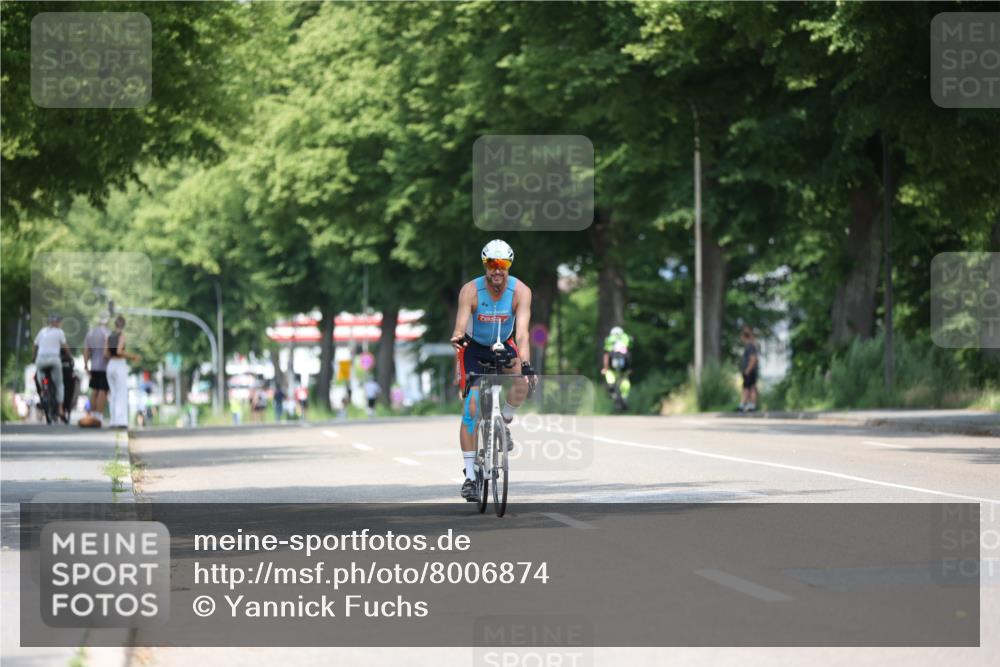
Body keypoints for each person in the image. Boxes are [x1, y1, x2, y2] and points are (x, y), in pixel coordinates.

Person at [450, 239, 534, 501]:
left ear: (509, 266)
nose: (497, 271)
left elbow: (522, 333)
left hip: (504, 344)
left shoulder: (520, 291)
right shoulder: (470, 291)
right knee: (472, 408)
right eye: (492, 264)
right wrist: (458, 341)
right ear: (485, 265)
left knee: (521, 383)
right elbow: (460, 328)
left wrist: (528, 365)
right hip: (474, 348)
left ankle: (504, 422)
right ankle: (471, 479)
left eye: (503, 265)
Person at [33, 314, 71, 421]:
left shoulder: (42, 331)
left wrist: (34, 357)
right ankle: (60, 409)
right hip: (54, 360)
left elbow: (35, 345)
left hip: (40, 360)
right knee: (59, 384)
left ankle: (43, 394)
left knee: (40, 379)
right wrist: (69, 357)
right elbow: (65, 346)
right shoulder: (59, 332)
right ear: (58, 322)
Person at [105, 315, 140, 429]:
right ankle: (121, 421)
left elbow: (105, 354)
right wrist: (132, 356)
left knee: (113, 393)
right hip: (119, 365)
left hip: (110, 365)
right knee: (121, 393)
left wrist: (113, 354)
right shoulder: (122, 336)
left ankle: (113, 421)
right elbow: (119, 351)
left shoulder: (108, 336)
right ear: (124, 325)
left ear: (115, 324)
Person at [83, 315, 110, 424]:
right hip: (105, 366)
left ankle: (92, 414)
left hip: (94, 365)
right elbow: (107, 351)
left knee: (94, 390)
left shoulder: (90, 333)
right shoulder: (108, 333)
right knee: (103, 391)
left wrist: (86, 365)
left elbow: (86, 350)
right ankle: (98, 415)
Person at [601, 325, 632, 410]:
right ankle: (622, 397)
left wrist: (605, 368)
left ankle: (616, 396)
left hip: (615, 370)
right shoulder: (625, 337)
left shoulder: (609, 339)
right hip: (621, 369)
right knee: (624, 382)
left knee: (612, 383)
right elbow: (628, 353)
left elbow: (606, 355)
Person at [738, 325, 759, 412]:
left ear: (744, 337)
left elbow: (753, 359)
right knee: (751, 387)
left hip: (749, 371)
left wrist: (747, 370)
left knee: (747, 388)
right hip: (751, 371)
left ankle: (743, 405)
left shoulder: (750, 346)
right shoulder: (751, 345)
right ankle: (751, 405)